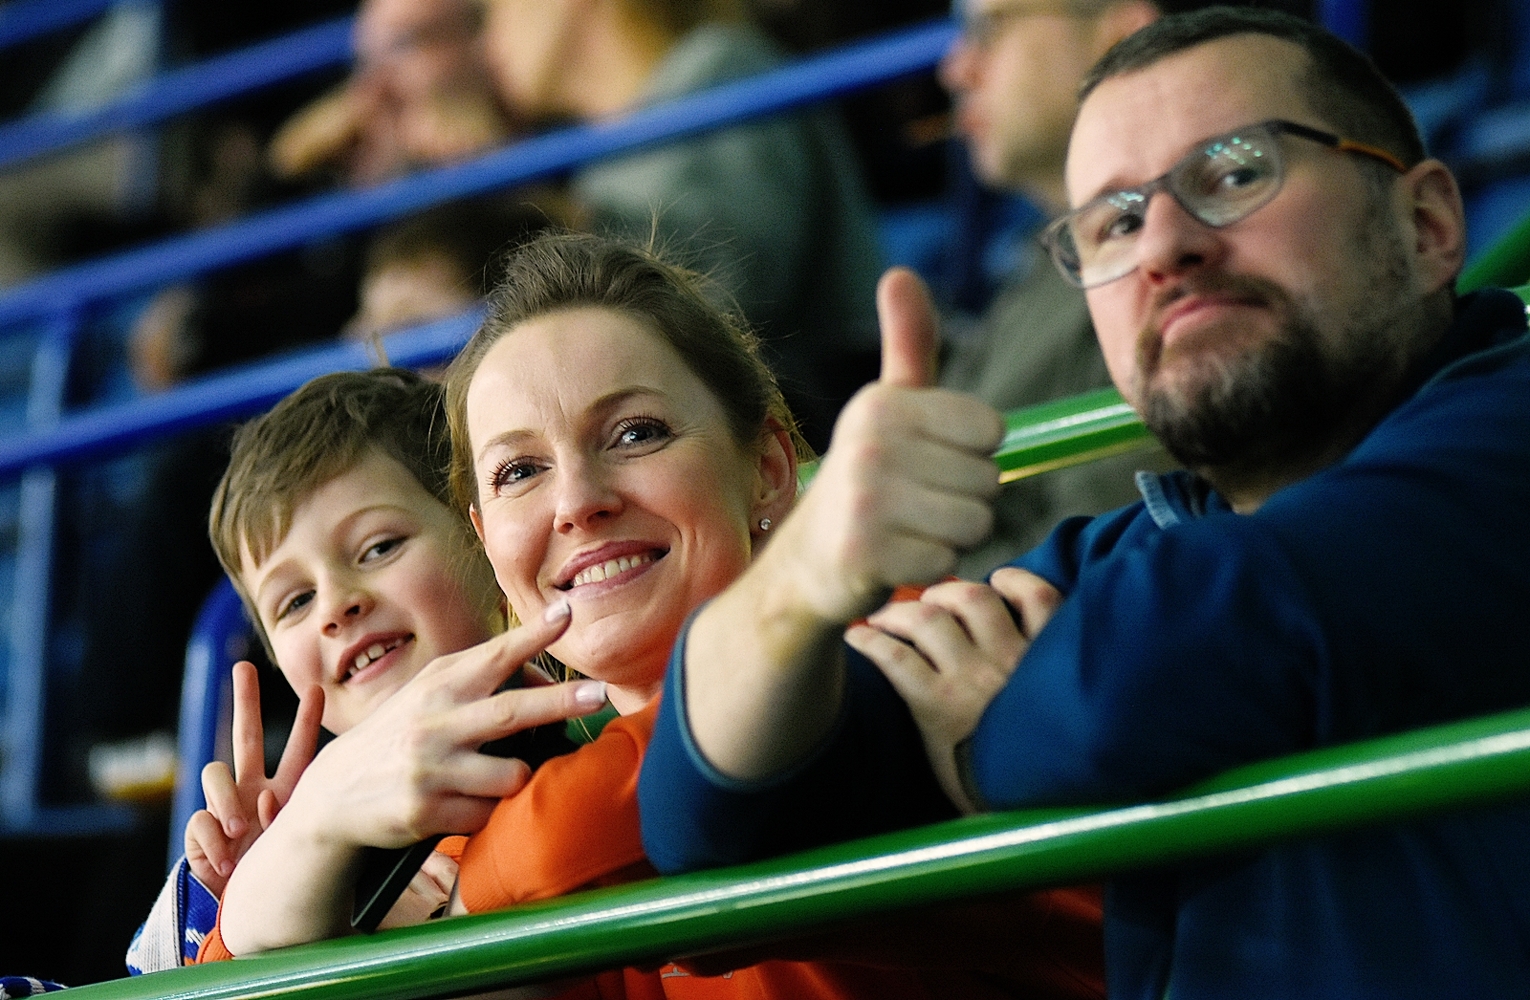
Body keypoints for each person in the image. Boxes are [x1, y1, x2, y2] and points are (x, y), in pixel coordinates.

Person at [639, 7, 1530, 999]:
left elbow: (1177, 656)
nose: (1165, 246)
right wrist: (800, 580)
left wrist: (985, 738)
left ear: (1427, 226)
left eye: (1236, 174)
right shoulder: (1120, 562)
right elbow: (707, 830)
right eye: (1114, 222)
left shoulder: (1507, 427)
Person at [201, 231, 1106, 998]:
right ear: (488, 546)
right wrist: (308, 861)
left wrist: (315, 857)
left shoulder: (901, 644)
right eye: (520, 471)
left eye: (636, 433)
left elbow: (577, 838)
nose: (577, 502)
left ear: (769, 471)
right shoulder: (534, 803)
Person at [126, 368, 594, 974]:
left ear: (482, 540)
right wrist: (266, 880)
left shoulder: (599, 737)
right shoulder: (284, 843)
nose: (336, 605)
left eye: (379, 548)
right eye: (295, 601)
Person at [475, 0, 885, 450]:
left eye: (492, 9)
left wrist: (503, 204)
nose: (485, 45)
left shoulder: (720, 68)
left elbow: (723, 291)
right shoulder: (597, 162)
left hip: (817, 419)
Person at [937, 0, 1184, 576]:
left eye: (987, 29)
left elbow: (1103, 560)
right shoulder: (1041, 262)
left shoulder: (1177, 272)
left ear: (1119, 36)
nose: (956, 69)